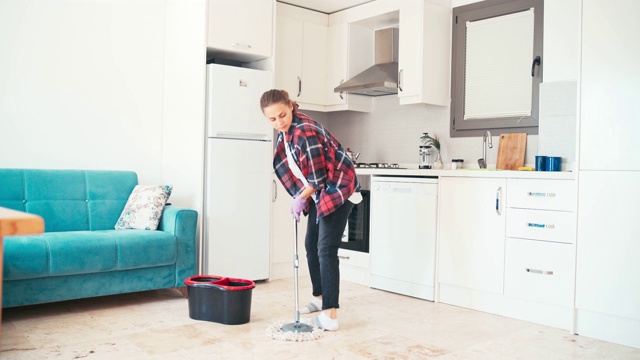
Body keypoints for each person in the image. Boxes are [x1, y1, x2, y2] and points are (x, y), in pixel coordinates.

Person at [260, 89, 361, 331]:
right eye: (272, 119)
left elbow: (318, 179)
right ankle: (320, 298)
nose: (279, 122)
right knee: (311, 244)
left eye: (282, 115)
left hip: (337, 189)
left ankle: (330, 315)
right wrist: (303, 196)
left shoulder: (304, 132)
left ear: (290, 107)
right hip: (319, 192)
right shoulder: (285, 133)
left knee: (326, 248)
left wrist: (300, 197)